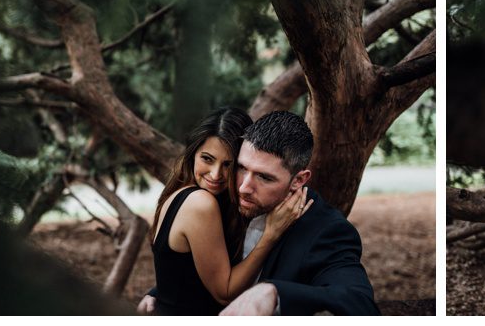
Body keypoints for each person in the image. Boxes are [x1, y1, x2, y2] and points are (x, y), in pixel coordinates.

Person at [142, 107, 312, 315]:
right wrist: (270, 234)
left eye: (228, 165)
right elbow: (225, 292)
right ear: (193, 154)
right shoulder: (200, 203)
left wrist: (156, 292)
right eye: (207, 159)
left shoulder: (182, 194)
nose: (215, 175)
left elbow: (182, 274)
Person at [218, 111, 380, 315]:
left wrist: (275, 293)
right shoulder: (218, 195)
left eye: (264, 177)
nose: (244, 187)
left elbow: (359, 303)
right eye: (242, 168)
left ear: (299, 180)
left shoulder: (327, 231)